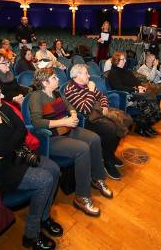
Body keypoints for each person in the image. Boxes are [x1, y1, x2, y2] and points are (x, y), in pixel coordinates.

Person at [0, 79, 62, 250]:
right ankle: (31, 235)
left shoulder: (2, 107)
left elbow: (21, 130)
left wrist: (5, 143)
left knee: (54, 169)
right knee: (45, 179)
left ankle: (44, 217)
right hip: (2, 169)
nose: (2, 96)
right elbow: (1, 151)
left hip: (20, 156)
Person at [29, 68, 112, 217]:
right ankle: (81, 196)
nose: (58, 79)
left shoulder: (56, 93)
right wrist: (64, 121)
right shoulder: (36, 96)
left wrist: (73, 114)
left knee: (94, 139)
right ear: (45, 82)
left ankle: (97, 178)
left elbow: (69, 106)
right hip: (51, 138)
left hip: (67, 129)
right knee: (82, 149)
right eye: (54, 78)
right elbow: (36, 122)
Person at [65, 64, 133, 180]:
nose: (89, 75)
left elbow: (102, 96)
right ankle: (108, 161)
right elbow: (85, 109)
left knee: (126, 120)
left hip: (99, 111)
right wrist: (91, 91)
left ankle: (109, 155)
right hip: (87, 119)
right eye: (86, 73)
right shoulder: (70, 90)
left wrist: (105, 105)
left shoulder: (86, 84)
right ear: (77, 75)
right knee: (112, 128)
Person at [107, 51, 159, 137]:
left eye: (125, 59)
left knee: (150, 98)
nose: (125, 61)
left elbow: (136, 80)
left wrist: (139, 86)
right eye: (123, 59)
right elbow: (119, 88)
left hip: (134, 92)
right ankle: (140, 128)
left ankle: (147, 125)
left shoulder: (126, 70)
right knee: (146, 100)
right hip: (126, 96)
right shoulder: (113, 73)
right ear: (117, 61)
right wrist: (135, 89)